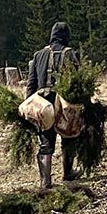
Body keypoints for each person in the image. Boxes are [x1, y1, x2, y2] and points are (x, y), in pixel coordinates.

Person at [25, 21, 80, 189]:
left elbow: (31, 84)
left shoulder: (38, 55)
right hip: (64, 103)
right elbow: (78, 82)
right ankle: (68, 174)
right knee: (68, 138)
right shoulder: (71, 54)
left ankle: (45, 181)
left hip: (43, 104)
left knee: (45, 143)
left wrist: (29, 106)